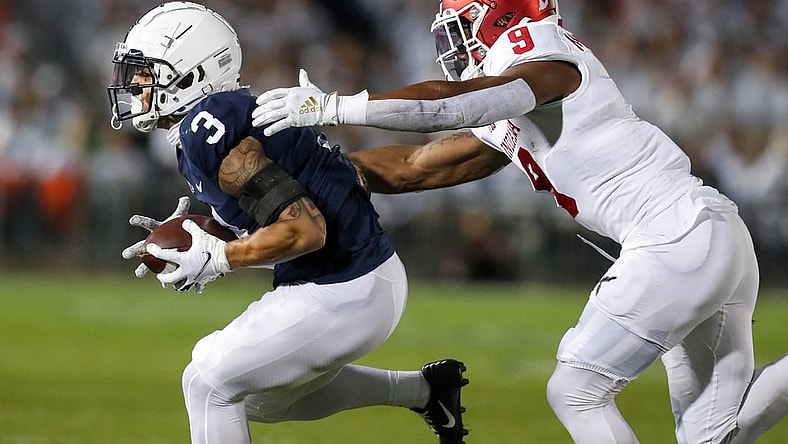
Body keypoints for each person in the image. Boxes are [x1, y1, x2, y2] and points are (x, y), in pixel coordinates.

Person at [251, 1, 787, 442]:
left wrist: (339, 107)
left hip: (675, 236)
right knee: (715, 434)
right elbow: (418, 168)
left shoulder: (542, 52)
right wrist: (306, 175)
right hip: (709, 235)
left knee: (576, 387)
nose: (455, 49)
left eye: (462, 29)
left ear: (501, 18)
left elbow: (456, 106)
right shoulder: (525, 95)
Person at [106, 2, 469, 444]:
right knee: (261, 400)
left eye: (145, 74)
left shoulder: (207, 128)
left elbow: (304, 231)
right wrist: (208, 235)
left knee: (207, 381)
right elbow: (279, 215)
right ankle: (427, 390)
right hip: (359, 280)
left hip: (345, 287)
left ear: (189, 74)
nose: (134, 87)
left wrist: (219, 257)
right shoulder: (214, 122)